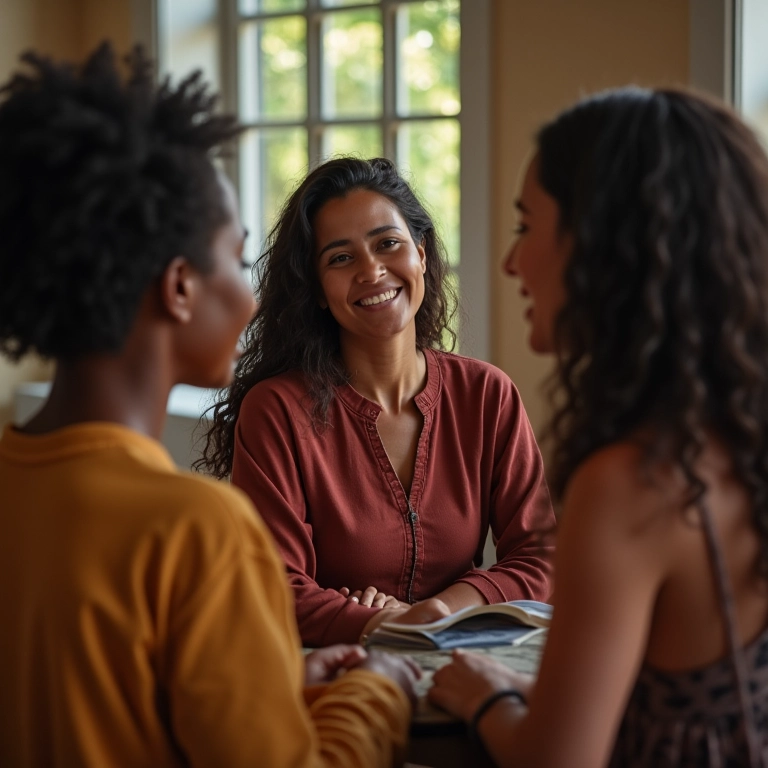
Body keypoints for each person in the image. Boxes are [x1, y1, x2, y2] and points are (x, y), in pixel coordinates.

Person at [0, 43, 421, 768]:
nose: (253, 298)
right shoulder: (196, 530)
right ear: (180, 288)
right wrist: (378, 689)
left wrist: (278, 682)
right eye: (237, 258)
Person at [428, 86, 768, 767]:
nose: (510, 263)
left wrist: (486, 699)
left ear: (602, 247)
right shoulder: (738, 435)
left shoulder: (634, 481)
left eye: (526, 226)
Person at [198, 157, 555, 647]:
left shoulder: (488, 395)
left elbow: (540, 556)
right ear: (317, 290)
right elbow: (273, 585)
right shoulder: (277, 411)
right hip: (337, 673)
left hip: (465, 668)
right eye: (340, 258)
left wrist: (438, 612)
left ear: (421, 254)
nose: (371, 270)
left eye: (388, 244)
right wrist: (377, 623)